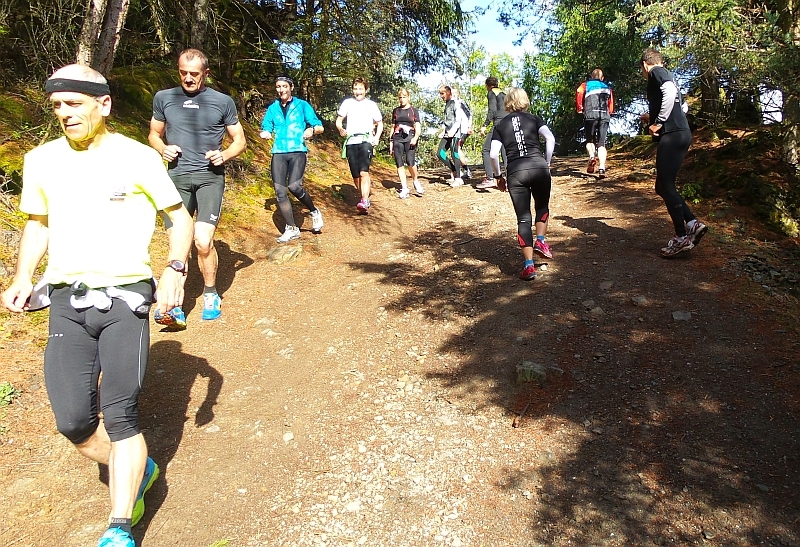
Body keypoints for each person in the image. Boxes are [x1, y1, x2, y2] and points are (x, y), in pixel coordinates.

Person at [1, 64, 194, 547]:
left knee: (121, 413)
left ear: (103, 104)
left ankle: (119, 525)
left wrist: (174, 269)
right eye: (57, 107)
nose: (65, 114)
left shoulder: (137, 157)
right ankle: (139, 467)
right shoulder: (40, 159)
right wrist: (23, 275)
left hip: (126, 299)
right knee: (73, 423)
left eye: (74, 104)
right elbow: (38, 222)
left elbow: (178, 217)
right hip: (67, 301)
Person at [148, 48, 247, 325]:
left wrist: (224, 155)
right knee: (177, 247)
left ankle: (211, 292)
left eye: (194, 74)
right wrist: (163, 148)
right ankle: (174, 306)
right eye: (183, 73)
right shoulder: (164, 98)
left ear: (206, 73)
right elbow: (154, 134)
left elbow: (239, 141)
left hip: (209, 178)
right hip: (177, 178)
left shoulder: (221, 101)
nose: (188, 79)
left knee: (203, 242)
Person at [639, 48, 708, 257]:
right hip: (681, 133)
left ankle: (681, 237)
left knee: (665, 185)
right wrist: (651, 116)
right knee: (662, 186)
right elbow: (683, 107)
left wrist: (659, 122)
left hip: (673, 134)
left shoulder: (656, 72)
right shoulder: (669, 76)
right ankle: (693, 224)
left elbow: (668, 92)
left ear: (645, 64)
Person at [489, 87, 555, 280]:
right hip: (539, 166)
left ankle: (528, 266)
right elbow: (550, 139)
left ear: (507, 102)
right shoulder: (534, 119)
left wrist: (498, 176)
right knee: (542, 206)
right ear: (525, 101)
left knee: (523, 218)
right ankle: (541, 241)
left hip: (516, 172)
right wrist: (547, 162)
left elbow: (493, 154)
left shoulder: (500, 126)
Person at [260, 75, 325, 242]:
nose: (281, 90)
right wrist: (266, 131)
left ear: (291, 87)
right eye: (278, 87)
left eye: (284, 86)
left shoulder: (302, 105)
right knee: (280, 191)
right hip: (279, 151)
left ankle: (313, 211)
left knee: (294, 186)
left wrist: (312, 130)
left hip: (297, 151)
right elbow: (267, 125)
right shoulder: (273, 108)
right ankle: (292, 228)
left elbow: (318, 125)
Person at [336, 77, 383, 214]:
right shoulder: (347, 103)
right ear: (352, 89)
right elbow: (339, 120)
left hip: (365, 140)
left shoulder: (371, 104)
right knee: (356, 175)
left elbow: (379, 123)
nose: (358, 92)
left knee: (364, 172)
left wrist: (376, 138)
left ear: (365, 90)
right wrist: (340, 129)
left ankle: (364, 200)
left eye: (360, 89)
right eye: (356, 89)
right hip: (351, 142)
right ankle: (364, 195)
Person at [576, 68, 614, 178]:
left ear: (592, 77)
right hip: (604, 115)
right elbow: (610, 103)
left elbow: (579, 92)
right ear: (602, 78)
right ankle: (602, 168)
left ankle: (592, 156)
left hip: (590, 114)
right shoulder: (607, 87)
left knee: (589, 140)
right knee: (601, 143)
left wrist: (580, 108)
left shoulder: (585, 85)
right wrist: (609, 112)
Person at [389, 88, 423, 198]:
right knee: (399, 163)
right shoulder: (396, 111)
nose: (402, 99)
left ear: (408, 97)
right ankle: (404, 188)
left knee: (410, 161)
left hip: (410, 137)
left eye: (404, 97)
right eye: (400, 97)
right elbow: (392, 127)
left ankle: (415, 181)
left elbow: (417, 126)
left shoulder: (413, 110)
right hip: (397, 138)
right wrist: (391, 142)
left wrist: (416, 137)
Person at [477, 76, 508, 189]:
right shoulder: (504, 94)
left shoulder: (491, 93)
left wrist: (485, 125)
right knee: (506, 152)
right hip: (508, 123)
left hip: (498, 123)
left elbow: (492, 110)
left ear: (488, 86)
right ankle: (510, 180)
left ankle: (490, 178)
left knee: (486, 149)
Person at [436, 85, 463, 187]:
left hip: (455, 133)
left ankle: (458, 178)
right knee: (440, 153)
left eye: (442, 93)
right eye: (440, 93)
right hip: (447, 133)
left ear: (448, 93)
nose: (441, 96)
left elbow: (458, 120)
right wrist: (443, 131)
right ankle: (453, 170)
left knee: (454, 153)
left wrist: (453, 131)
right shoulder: (447, 104)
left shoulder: (455, 103)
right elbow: (446, 120)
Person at [452, 88, 473, 180]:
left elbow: (470, 114)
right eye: (451, 93)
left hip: (463, 129)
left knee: (457, 148)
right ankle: (462, 170)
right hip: (454, 130)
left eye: (455, 93)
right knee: (455, 149)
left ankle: (465, 170)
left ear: (458, 93)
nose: (453, 95)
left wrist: (469, 127)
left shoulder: (461, 102)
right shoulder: (450, 104)